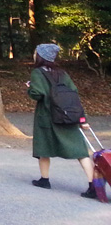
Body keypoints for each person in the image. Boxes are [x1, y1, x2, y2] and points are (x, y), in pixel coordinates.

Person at [27, 43, 97, 198]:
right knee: (81, 151)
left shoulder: (38, 73)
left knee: (43, 147)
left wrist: (30, 87)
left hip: (47, 117)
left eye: (35, 52)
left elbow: (37, 94)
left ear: (41, 56)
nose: (34, 55)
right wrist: (81, 118)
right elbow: (74, 93)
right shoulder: (62, 73)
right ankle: (93, 186)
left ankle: (44, 180)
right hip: (68, 116)